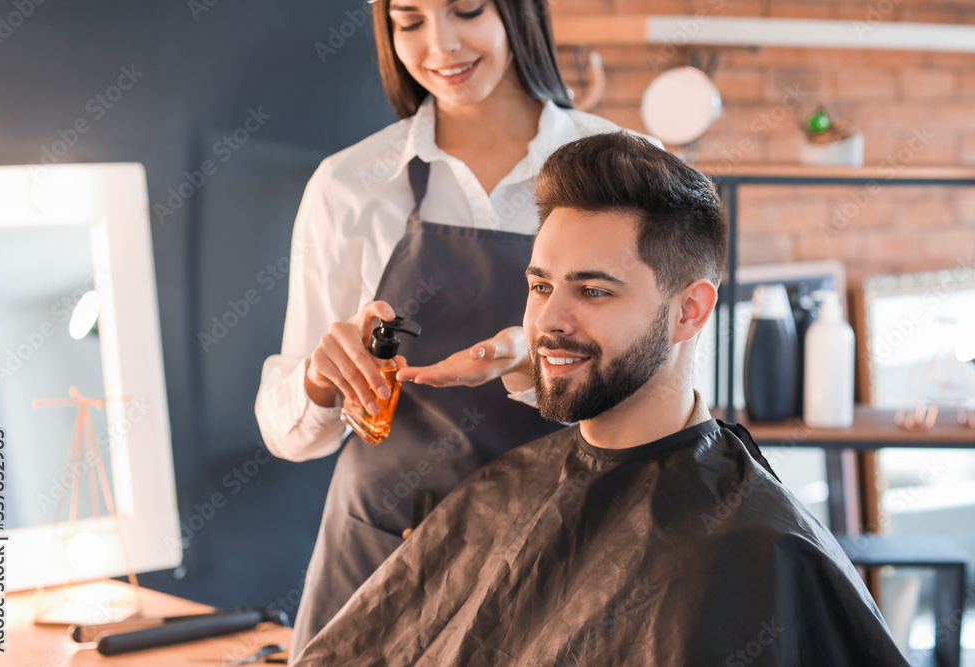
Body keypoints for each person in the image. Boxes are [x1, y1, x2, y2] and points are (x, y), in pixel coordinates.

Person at [291, 132, 910, 667]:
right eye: (540, 285)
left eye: (593, 291)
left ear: (688, 311)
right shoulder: (507, 488)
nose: (548, 321)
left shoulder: (761, 550)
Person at [254, 0, 656, 654]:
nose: (440, 45)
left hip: (561, 560)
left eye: (466, 9)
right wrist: (320, 377)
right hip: (384, 560)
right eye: (408, 21)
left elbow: (656, 398)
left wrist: (535, 359)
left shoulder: (626, 172)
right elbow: (288, 435)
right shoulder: (351, 186)